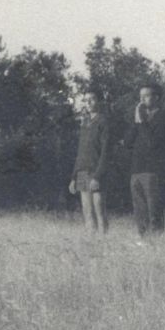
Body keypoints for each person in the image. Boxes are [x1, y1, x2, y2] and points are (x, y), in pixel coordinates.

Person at [124, 82, 165, 241]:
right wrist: (136, 121)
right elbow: (127, 142)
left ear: (156, 97)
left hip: (152, 171)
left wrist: (143, 123)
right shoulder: (141, 119)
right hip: (136, 170)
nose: (142, 100)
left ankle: (157, 241)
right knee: (139, 210)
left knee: (153, 209)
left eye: (146, 96)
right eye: (141, 97)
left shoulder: (162, 117)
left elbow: (153, 143)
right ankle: (143, 240)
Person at [70, 88, 111, 234]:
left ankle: (103, 242)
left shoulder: (104, 122)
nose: (88, 103)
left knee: (99, 209)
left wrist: (98, 176)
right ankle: (91, 244)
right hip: (82, 172)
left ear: (99, 101)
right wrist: (74, 177)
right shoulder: (84, 123)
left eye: (92, 99)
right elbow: (80, 153)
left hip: (96, 171)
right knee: (87, 211)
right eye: (86, 100)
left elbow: (106, 152)